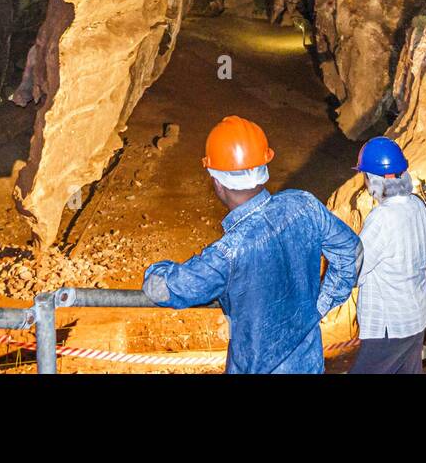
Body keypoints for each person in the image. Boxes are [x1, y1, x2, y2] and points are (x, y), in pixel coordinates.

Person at [141, 115, 360, 374]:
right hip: (309, 366)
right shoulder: (304, 205)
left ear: (218, 181)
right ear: (263, 168)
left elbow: (162, 289)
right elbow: (352, 251)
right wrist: (320, 305)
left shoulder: (227, 254)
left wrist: (156, 270)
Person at [349, 135, 426, 374]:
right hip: (418, 315)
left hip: (390, 325)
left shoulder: (381, 218)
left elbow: (355, 271)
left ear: (373, 179)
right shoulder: (419, 205)